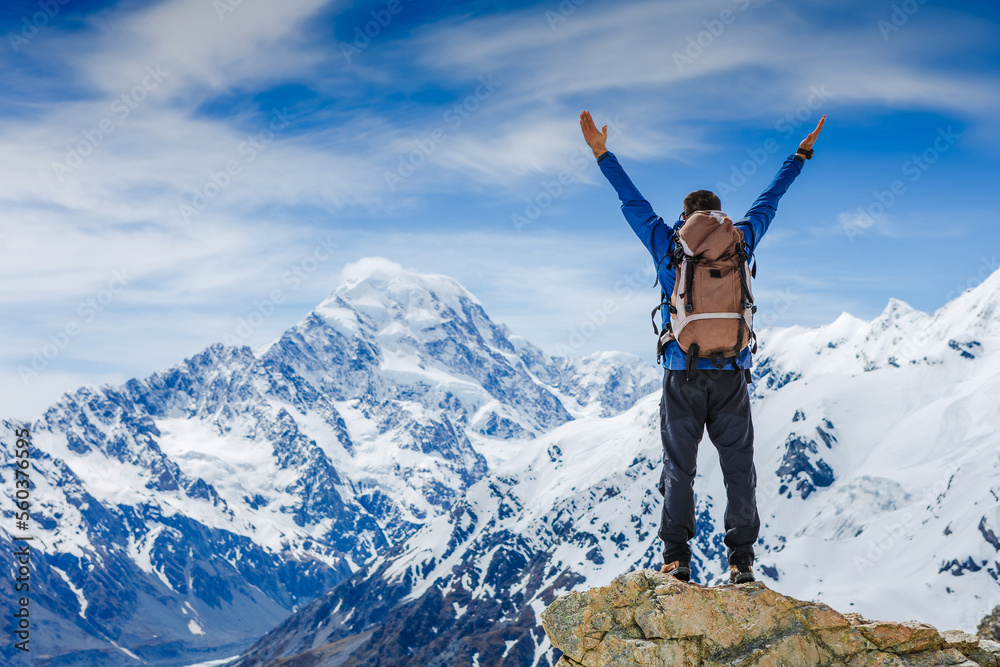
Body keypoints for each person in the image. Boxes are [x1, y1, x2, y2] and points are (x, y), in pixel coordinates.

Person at [579, 109, 825, 584]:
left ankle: (677, 559)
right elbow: (771, 199)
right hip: (732, 373)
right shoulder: (740, 241)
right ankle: (741, 562)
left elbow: (632, 201)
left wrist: (601, 152)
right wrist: (800, 154)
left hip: (682, 373)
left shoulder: (668, 244)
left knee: (679, 467)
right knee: (738, 469)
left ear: (686, 216)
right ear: (718, 214)